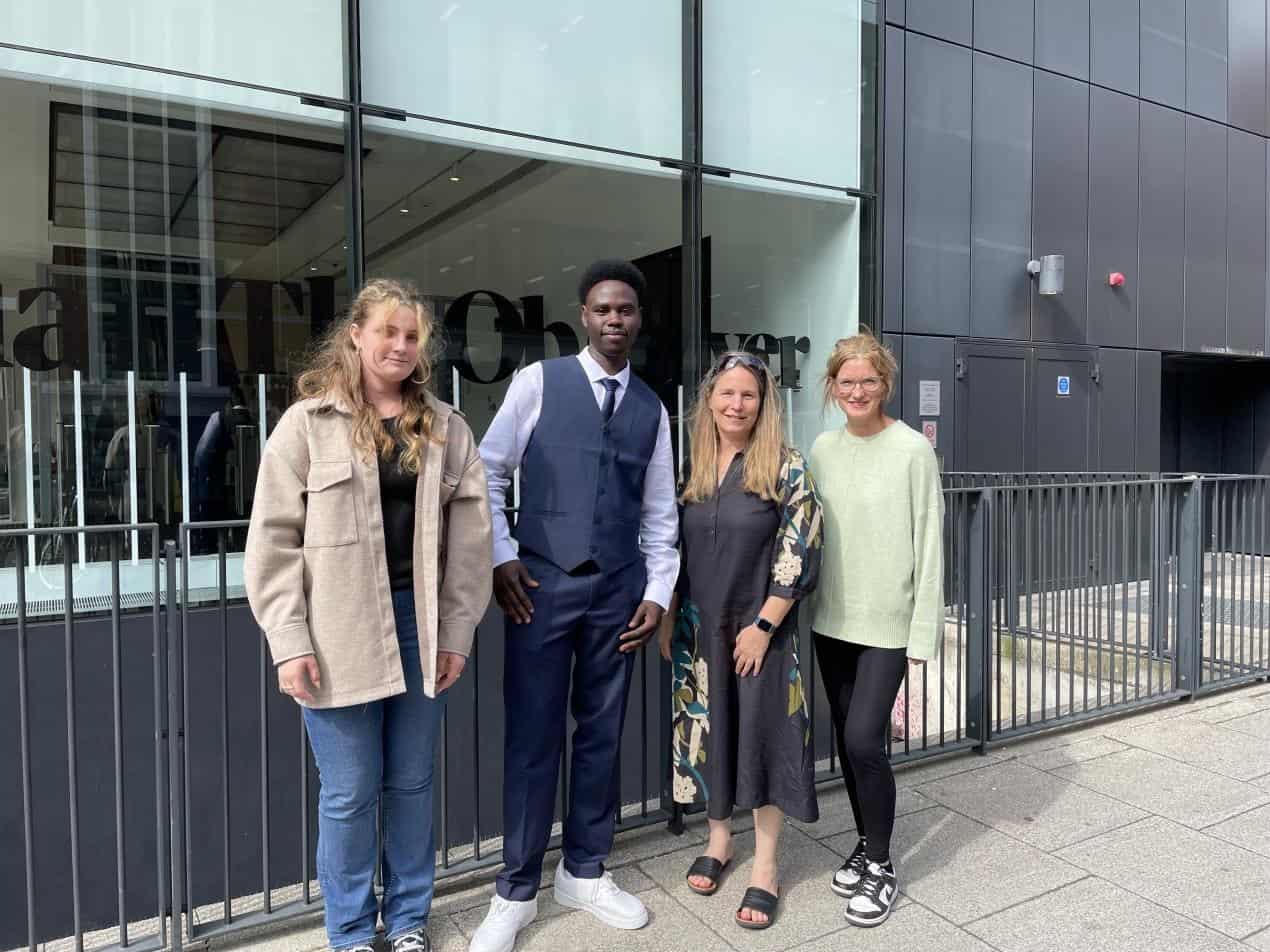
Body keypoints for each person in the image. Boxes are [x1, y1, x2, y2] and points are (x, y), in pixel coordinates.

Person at [244, 278, 493, 952]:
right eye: (388, 331)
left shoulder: (446, 428)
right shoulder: (306, 423)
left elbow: (472, 546)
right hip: (337, 632)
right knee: (351, 791)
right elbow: (271, 540)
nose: (401, 346)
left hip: (423, 626)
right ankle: (351, 930)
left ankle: (408, 920)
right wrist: (288, 639)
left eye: (412, 336)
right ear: (355, 334)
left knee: (411, 782)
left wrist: (459, 633)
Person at [470, 259, 679, 952]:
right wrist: (501, 554)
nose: (614, 319)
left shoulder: (653, 407)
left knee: (601, 733)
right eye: (602, 309)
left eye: (625, 309)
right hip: (540, 585)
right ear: (584, 316)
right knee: (532, 737)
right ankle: (516, 890)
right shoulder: (538, 382)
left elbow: (659, 514)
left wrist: (655, 593)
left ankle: (584, 870)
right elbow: (489, 469)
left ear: (638, 319)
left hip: (618, 592)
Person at [659, 351, 823, 931]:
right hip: (699, 631)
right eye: (726, 394)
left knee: (762, 736)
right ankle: (721, 839)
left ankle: (768, 866)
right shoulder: (694, 466)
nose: (736, 404)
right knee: (712, 735)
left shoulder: (785, 464)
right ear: (709, 401)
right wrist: (667, 616)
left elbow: (799, 550)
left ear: (764, 403)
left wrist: (764, 625)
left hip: (760, 632)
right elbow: (673, 549)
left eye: (748, 395)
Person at [808, 332, 943, 928]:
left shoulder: (913, 450)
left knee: (865, 741)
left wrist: (923, 634)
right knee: (844, 734)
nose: (857, 391)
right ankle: (866, 843)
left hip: (887, 622)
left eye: (868, 381)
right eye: (846, 381)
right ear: (832, 387)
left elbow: (931, 545)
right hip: (830, 618)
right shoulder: (821, 448)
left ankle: (883, 866)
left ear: (885, 385)